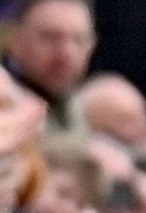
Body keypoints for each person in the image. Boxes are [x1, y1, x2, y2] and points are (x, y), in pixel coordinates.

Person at [2, 0, 93, 132]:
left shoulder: (85, 114)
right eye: (50, 37)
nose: (66, 53)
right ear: (15, 40)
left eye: (78, 40)